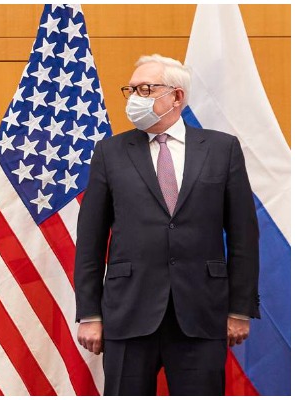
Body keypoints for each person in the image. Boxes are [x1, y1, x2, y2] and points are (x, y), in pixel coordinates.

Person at [74, 54, 260, 395]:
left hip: (201, 313)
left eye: (145, 89)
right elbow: (90, 240)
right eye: (131, 89)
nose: (135, 98)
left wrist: (239, 309)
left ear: (177, 96)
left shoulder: (222, 150)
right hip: (128, 313)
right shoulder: (109, 152)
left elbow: (244, 236)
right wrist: (89, 314)